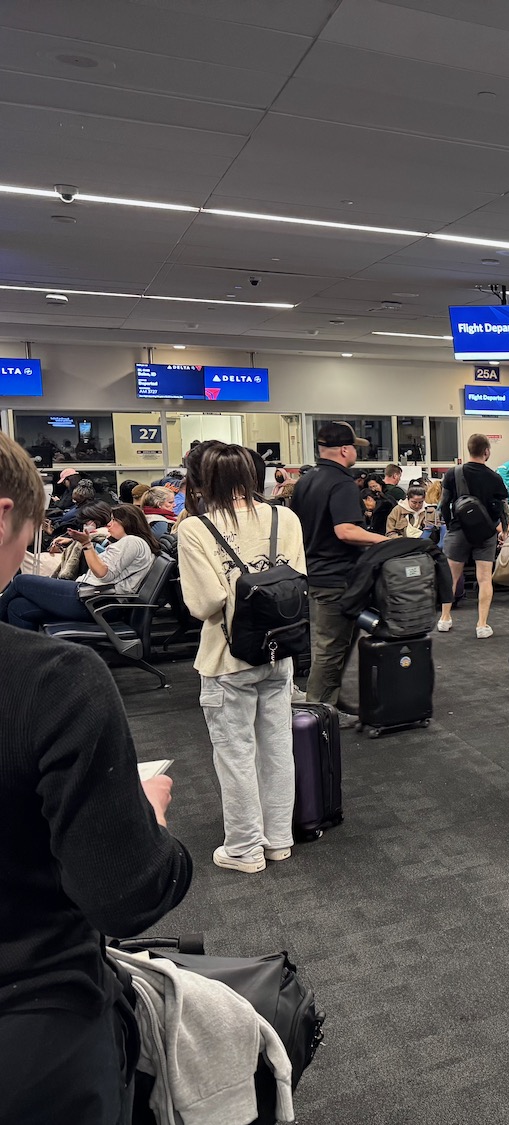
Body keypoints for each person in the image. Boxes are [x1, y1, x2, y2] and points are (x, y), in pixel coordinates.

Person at [0, 431, 192, 1124]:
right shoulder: (52, 682)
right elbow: (126, 891)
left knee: (27, 599)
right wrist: (146, 817)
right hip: (33, 1030)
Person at [177, 441, 306, 874]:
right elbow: (298, 580)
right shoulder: (283, 516)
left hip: (227, 657)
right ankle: (278, 840)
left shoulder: (195, 528)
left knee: (235, 755)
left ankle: (245, 848)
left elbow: (205, 603)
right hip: (279, 651)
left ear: (200, 479)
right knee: (277, 749)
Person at [288, 421, 387, 726]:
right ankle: (318, 713)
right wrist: (389, 542)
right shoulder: (342, 482)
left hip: (314, 571)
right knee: (330, 647)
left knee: (336, 643)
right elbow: (345, 531)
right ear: (345, 449)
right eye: (354, 447)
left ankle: (330, 698)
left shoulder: (306, 480)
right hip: (335, 577)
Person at [0, 503, 161, 629]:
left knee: (22, 581)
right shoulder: (135, 543)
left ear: (126, 522)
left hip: (93, 602)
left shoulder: (132, 542)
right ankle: (23, 661)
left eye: (113, 521)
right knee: (18, 607)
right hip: (93, 598)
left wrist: (86, 545)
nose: (109, 525)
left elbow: (103, 573)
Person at [437, 433, 509, 637]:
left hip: (458, 530)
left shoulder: (453, 473)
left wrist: (451, 524)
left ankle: (444, 619)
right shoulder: (494, 477)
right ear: (487, 451)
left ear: (469, 450)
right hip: (486, 533)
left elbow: (443, 503)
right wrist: (503, 531)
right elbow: (504, 509)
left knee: (451, 576)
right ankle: (482, 625)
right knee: (485, 578)